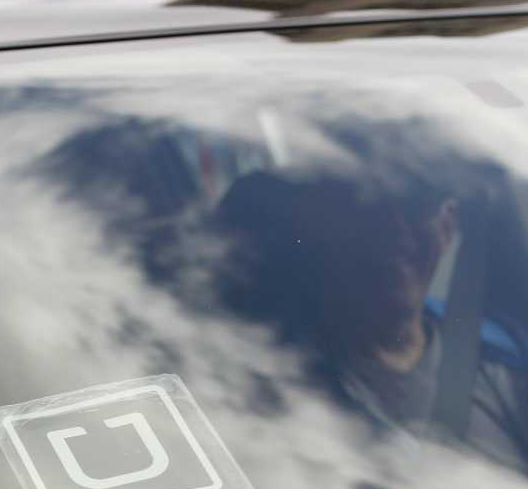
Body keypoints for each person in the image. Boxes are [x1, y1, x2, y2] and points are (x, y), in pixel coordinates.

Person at [215, 170, 528, 470]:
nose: (394, 228)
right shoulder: (265, 381)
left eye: (416, 203)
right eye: (366, 204)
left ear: (448, 226)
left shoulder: (507, 361)